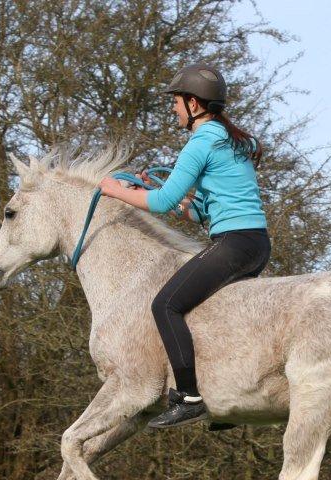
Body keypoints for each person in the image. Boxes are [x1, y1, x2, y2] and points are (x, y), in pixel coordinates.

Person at [98, 63, 271, 428]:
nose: (173, 109)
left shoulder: (201, 142)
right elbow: (200, 212)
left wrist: (116, 191)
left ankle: (190, 396)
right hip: (254, 243)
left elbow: (161, 204)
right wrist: (150, 191)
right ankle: (231, 397)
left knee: (166, 304)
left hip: (234, 243)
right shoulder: (231, 141)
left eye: (176, 101)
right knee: (209, 314)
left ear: (193, 103)